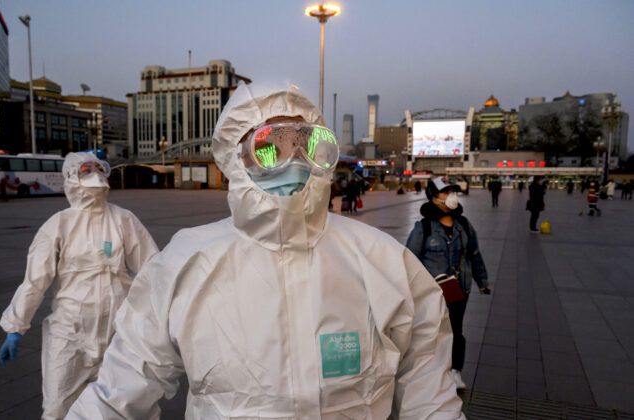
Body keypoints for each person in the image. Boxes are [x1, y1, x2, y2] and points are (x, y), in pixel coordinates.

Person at [67, 83, 464, 419]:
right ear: (234, 160)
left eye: (306, 144)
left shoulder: (382, 260)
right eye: (269, 148)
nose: (293, 160)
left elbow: (430, 391)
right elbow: (119, 390)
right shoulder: (186, 263)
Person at [0, 152, 159, 419]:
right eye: (86, 169)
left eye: (99, 168)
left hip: (118, 329)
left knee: (124, 404)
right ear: (71, 176)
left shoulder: (123, 219)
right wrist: (15, 327)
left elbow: (152, 268)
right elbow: (35, 280)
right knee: (59, 404)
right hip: (70, 332)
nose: (94, 174)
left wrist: (162, 317)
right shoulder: (59, 224)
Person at [405, 177, 491, 391]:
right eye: (445, 192)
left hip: (460, 289)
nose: (451, 196)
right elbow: (409, 259)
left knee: (456, 330)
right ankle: (431, 370)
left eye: (453, 191)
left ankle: (455, 371)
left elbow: (474, 254)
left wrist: (483, 281)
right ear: (433, 198)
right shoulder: (423, 228)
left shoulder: (464, 226)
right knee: (431, 330)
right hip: (432, 292)